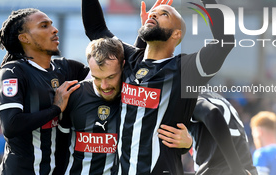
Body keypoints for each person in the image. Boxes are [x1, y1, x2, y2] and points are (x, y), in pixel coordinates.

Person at [79, 0, 234, 174]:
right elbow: (96, 30)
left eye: (163, 15)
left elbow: (225, 41)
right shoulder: (129, 59)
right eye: (153, 13)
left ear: (176, 34)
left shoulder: (186, 70)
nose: (154, 15)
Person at [56, 37, 192, 175]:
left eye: (110, 77)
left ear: (123, 66)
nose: (104, 86)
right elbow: (59, 145)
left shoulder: (134, 97)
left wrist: (187, 144)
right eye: (97, 78)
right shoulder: (74, 96)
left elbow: (156, 138)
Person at [0, 8, 90, 175]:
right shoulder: (13, 72)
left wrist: (145, 37)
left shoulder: (66, 68)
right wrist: (55, 108)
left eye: (51, 24)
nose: (54, 30)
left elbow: (109, 71)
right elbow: (11, 125)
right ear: (24, 38)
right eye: (44, 26)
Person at [189, 92, 257, 175]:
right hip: (248, 170)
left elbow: (212, 114)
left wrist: (237, 170)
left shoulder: (189, 100)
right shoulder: (217, 98)